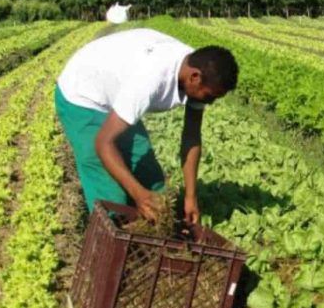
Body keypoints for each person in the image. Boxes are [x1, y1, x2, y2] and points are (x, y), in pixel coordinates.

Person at [55, 28, 238, 223]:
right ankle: (112, 235)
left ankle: (152, 231)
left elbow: (191, 137)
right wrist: (139, 195)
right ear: (194, 77)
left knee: (152, 180)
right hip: (83, 95)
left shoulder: (202, 71)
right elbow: (103, 143)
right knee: (111, 196)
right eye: (209, 96)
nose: (209, 102)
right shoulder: (151, 79)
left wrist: (191, 197)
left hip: (116, 94)